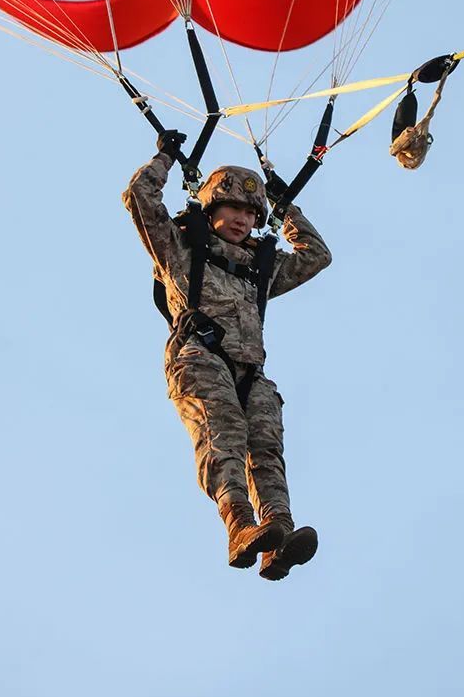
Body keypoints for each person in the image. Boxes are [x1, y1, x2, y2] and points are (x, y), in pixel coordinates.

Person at [122, 129, 332, 580]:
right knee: (225, 433)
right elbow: (139, 198)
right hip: (199, 355)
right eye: (234, 208)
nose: (243, 220)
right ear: (212, 208)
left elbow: (316, 256)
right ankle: (238, 525)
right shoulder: (179, 250)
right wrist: (164, 160)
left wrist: (284, 208)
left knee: (267, 447)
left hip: (251, 373)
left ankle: (278, 535)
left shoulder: (261, 269)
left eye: (251, 214)